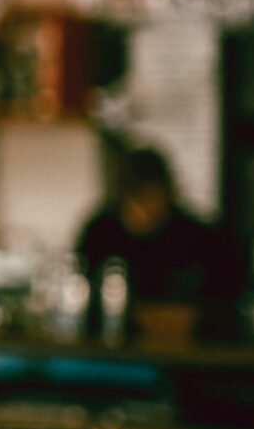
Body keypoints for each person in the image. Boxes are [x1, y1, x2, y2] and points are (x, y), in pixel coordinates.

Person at [76, 146, 245, 343]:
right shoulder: (100, 234)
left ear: (168, 194)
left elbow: (230, 304)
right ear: (121, 199)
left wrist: (193, 317)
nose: (146, 210)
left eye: (153, 198)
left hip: (187, 352)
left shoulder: (201, 239)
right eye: (138, 199)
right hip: (113, 350)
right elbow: (78, 298)